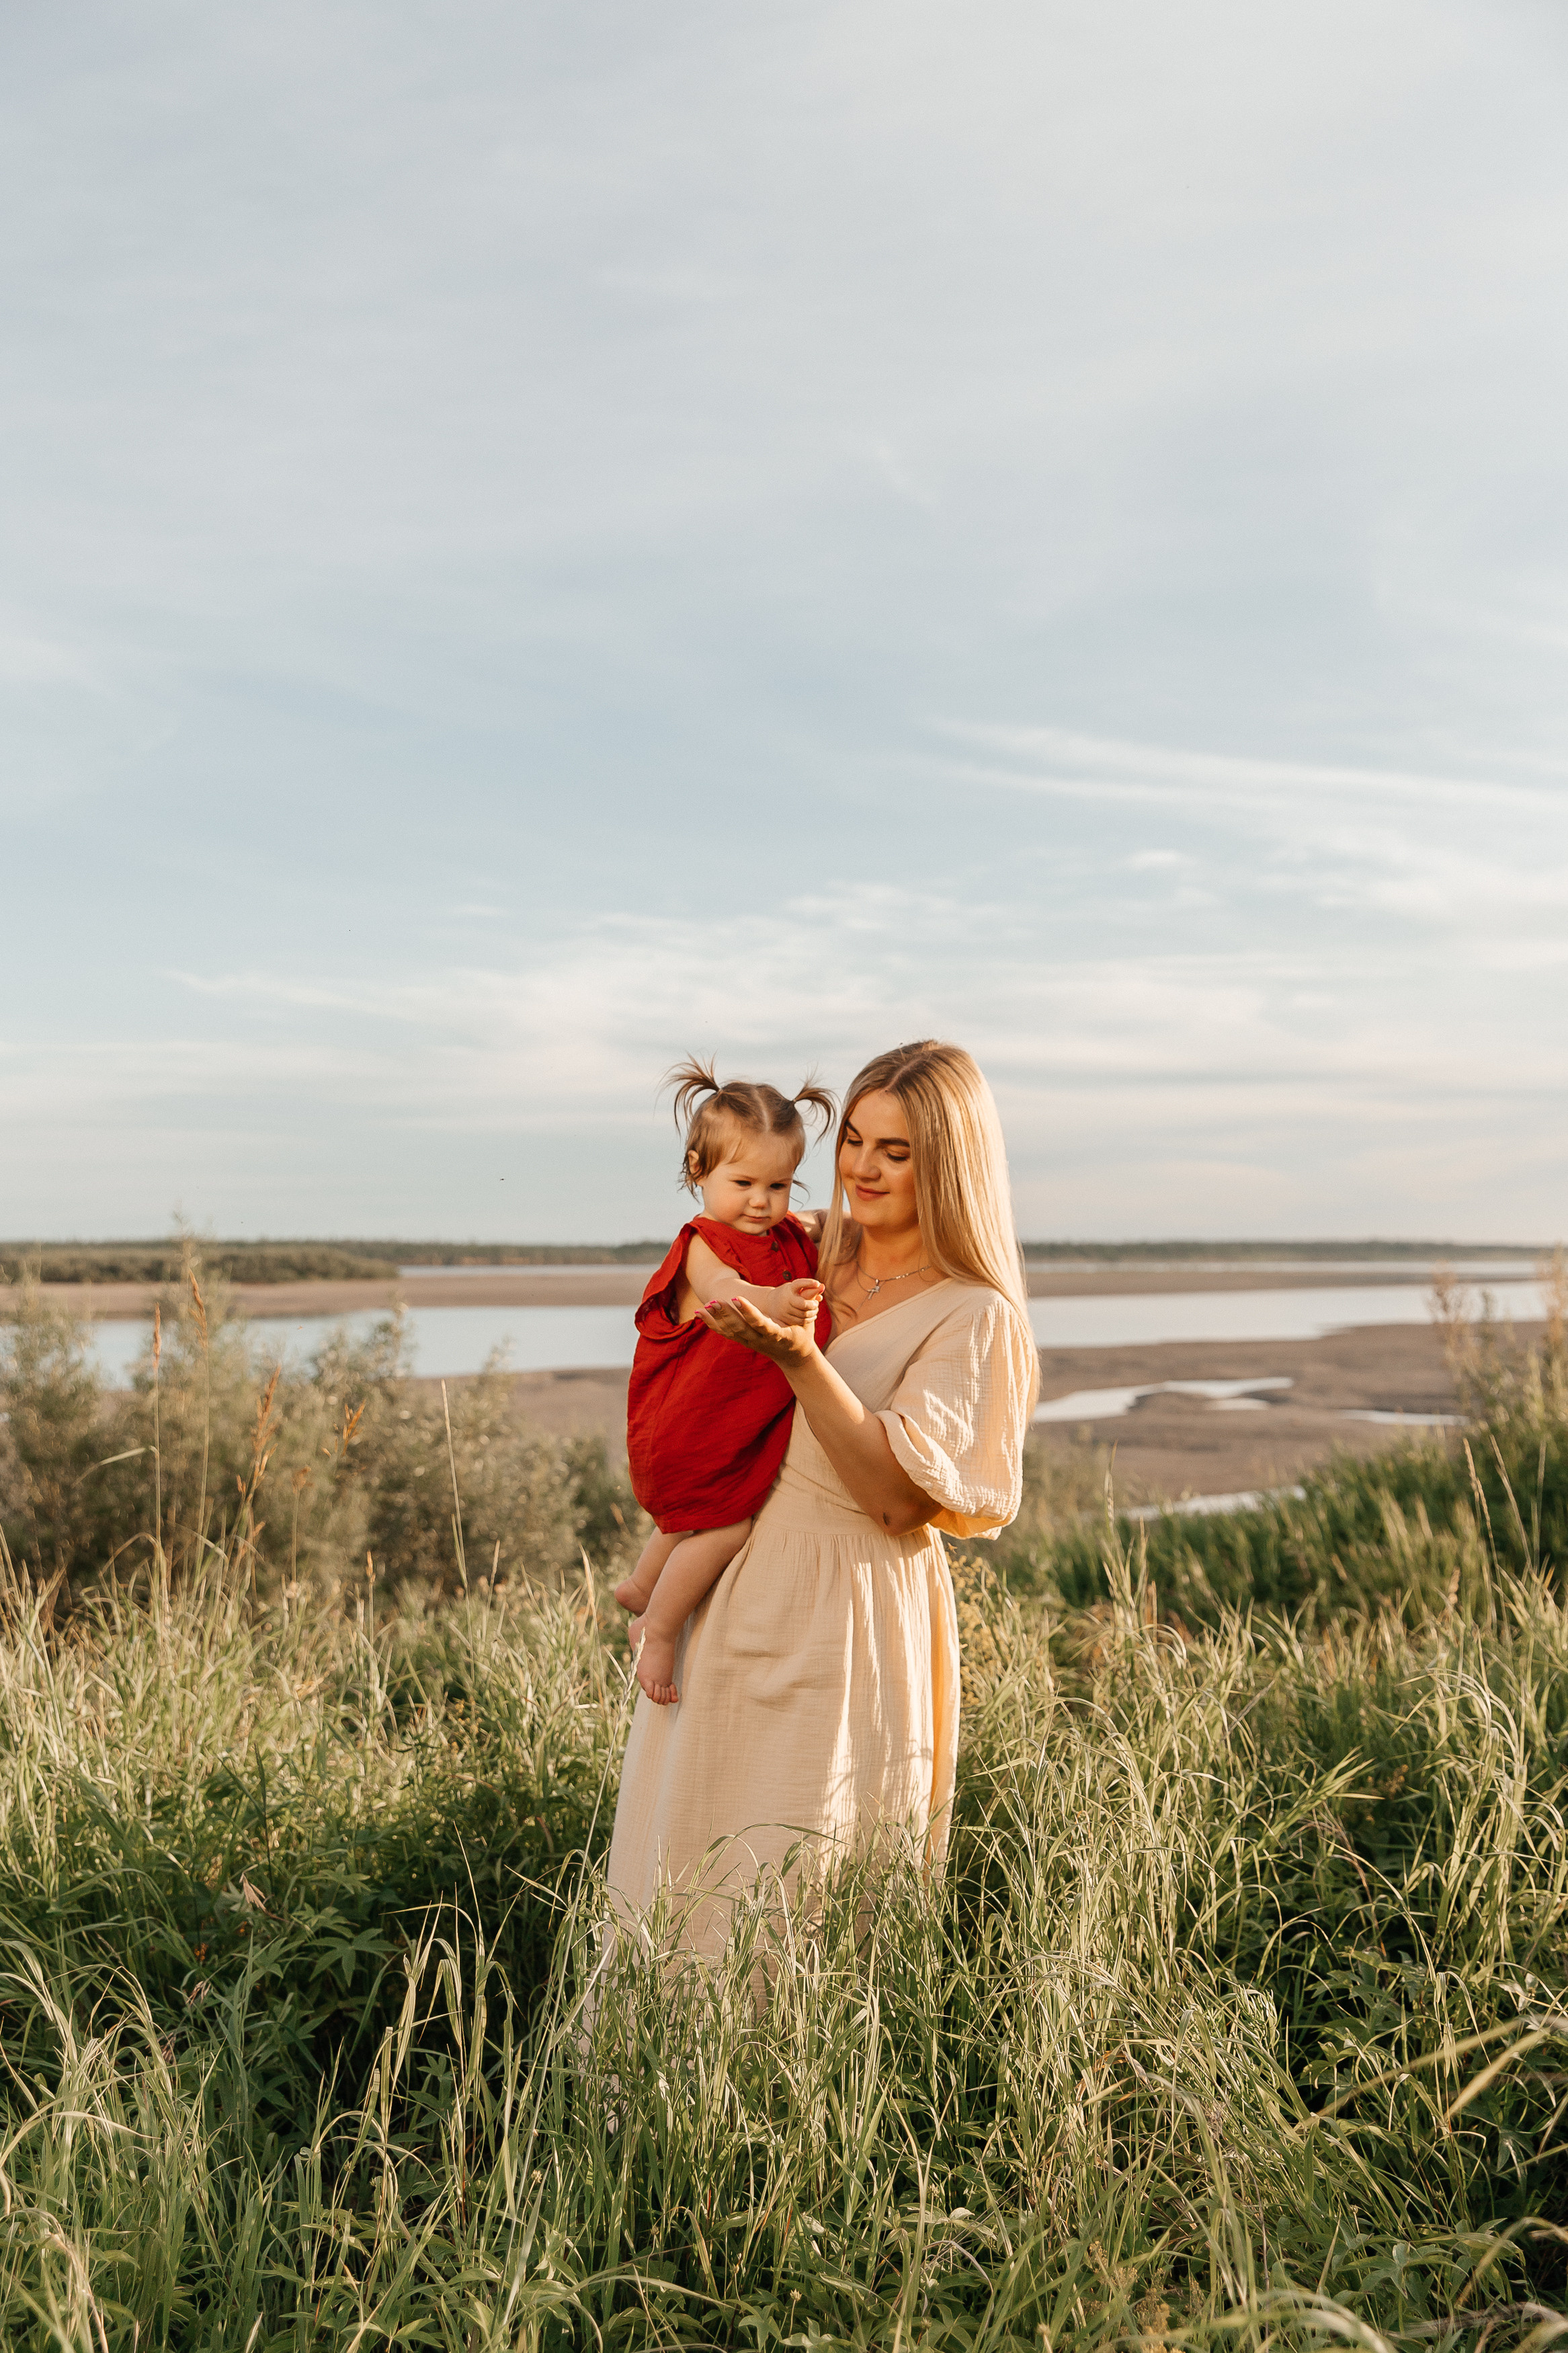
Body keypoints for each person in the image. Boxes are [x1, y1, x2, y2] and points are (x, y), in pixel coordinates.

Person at [604, 1038, 1039, 1954]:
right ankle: (653, 2097)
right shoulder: (797, 1249)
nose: (862, 1167)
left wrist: (800, 1359)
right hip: (727, 1596)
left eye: (897, 1150)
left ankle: (796, 2099)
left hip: (847, 1616)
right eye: (853, 1139)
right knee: (684, 1874)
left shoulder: (972, 1312)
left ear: (950, 1165)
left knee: (800, 1891)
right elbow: (691, 1286)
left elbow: (895, 1502)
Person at [616, 1059, 836, 1704]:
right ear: (697, 1171)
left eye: (780, 1185)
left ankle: (640, 1582)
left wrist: (838, 1222)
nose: (763, 1203)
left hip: (721, 1426)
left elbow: (823, 1222)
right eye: (743, 1182)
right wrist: (773, 1305)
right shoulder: (704, 1244)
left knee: (693, 1510)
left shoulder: (783, 1233)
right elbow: (725, 1292)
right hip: (688, 1424)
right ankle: (654, 1627)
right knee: (723, 1525)